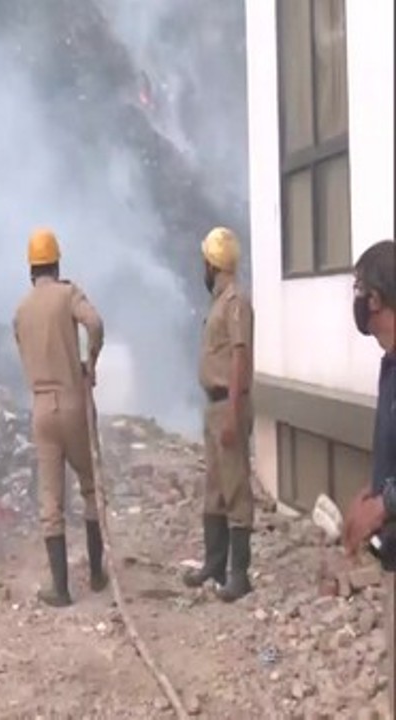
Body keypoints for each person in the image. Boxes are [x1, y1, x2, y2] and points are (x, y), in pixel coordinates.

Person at [13, 227, 107, 607]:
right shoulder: (68, 294)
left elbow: (23, 352)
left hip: (41, 408)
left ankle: (61, 588)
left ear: (31, 268)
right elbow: (95, 324)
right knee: (90, 486)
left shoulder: (21, 310)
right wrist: (90, 363)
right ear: (56, 262)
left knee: (50, 500)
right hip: (72, 403)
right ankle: (98, 574)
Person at [183, 226, 256, 602]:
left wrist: (233, 412)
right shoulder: (219, 301)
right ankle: (214, 563)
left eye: (205, 262)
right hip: (214, 404)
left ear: (212, 263)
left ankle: (239, 574)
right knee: (214, 486)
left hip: (228, 403)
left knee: (235, 487)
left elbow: (240, 356)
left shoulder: (235, 302)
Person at [340, 238, 396, 716]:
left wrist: (383, 505)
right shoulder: (391, 362)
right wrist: (374, 490)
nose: (356, 302)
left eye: (359, 290)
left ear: (375, 300)